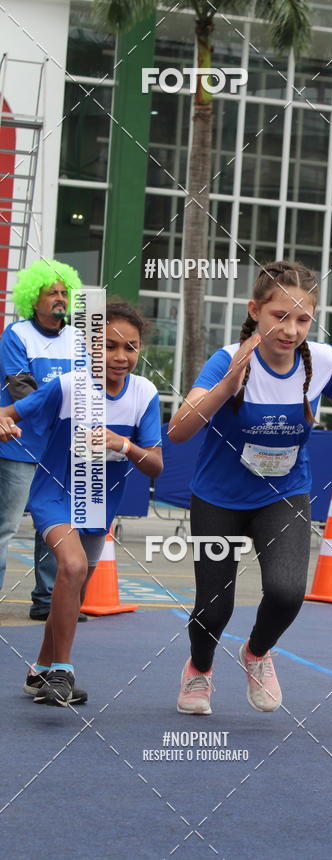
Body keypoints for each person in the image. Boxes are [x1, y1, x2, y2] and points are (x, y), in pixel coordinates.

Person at [168, 260, 332, 715]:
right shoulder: (228, 360)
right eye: (280, 316)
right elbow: (178, 431)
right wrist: (227, 387)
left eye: (303, 319)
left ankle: (257, 653)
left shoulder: (321, 359)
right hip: (218, 497)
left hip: (283, 493)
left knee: (286, 592)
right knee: (214, 607)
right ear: (255, 311)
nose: (291, 330)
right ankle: (199, 669)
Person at [0, 301, 163, 705]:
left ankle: (40, 671)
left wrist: (120, 443)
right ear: (90, 347)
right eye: (108, 346)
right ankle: (63, 671)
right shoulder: (69, 385)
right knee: (69, 567)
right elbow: (10, 411)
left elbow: (155, 466)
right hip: (54, 494)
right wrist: (5, 423)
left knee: (74, 589)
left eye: (130, 347)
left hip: (97, 503)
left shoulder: (144, 394)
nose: (120, 357)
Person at [0, 259, 85, 620]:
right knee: (6, 526)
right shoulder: (16, 335)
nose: (60, 298)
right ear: (33, 299)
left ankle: (48, 600)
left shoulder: (78, 338)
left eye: (64, 292)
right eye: (52, 292)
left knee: (52, 525)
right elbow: (21, 389)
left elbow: (85, 388)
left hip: (58, 451)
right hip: (19, 446)